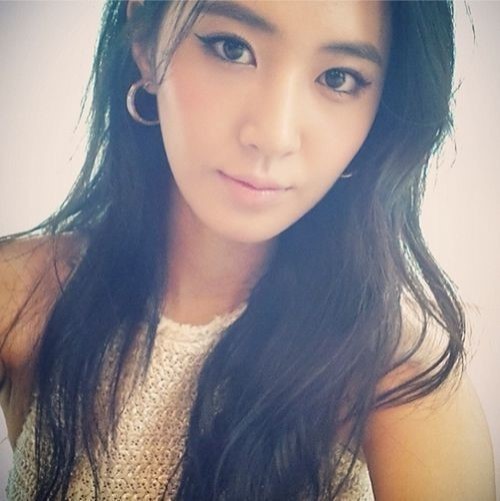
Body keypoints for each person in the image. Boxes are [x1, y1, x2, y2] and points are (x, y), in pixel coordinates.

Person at [0, 0, 495, 499]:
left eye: (338, 78)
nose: (273, 136)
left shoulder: (397, 376)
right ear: (147, 43)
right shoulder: (24, 297)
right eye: (232, 49)